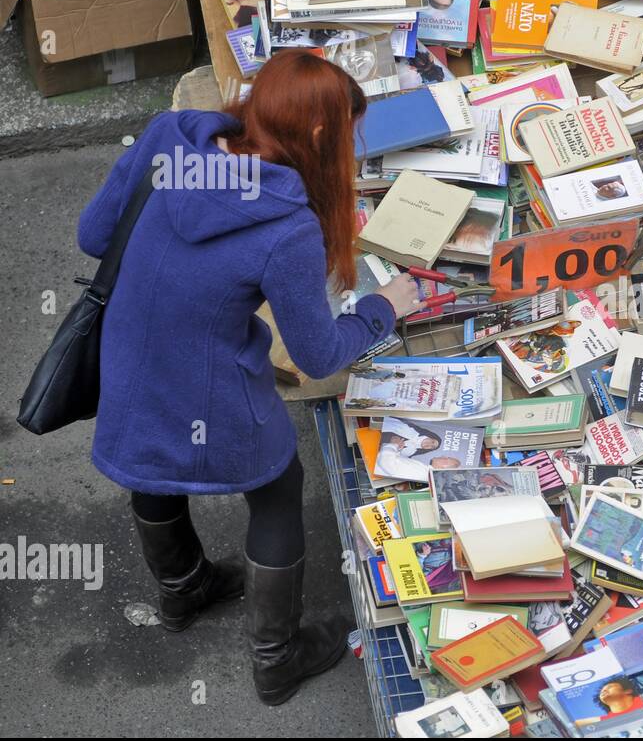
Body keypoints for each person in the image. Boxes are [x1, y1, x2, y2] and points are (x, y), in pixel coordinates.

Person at [77, 50, 420, 705]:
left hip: (129, 360)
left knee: (150, 466)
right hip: (211, 385)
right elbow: (319, 355)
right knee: (277, 486)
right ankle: (277, 657)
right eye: (348, 136)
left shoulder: (167, 137)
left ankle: (182, 592)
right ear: (319, 135)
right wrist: (384, 308)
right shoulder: (286, 226)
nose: (351, 148)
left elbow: (94, 234)